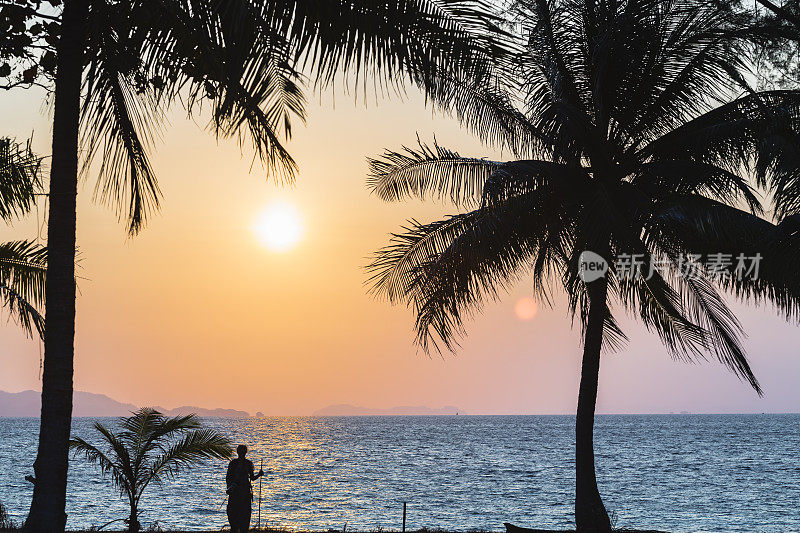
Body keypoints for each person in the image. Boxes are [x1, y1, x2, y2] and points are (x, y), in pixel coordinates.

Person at [226, 444, 264, 533]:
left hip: (244, 492)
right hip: (236, 492)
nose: (242, 453)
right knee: (234, 513)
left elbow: (252, 478)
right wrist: (231, 487)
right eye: (241, 451)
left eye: (243, 451)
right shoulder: (235, 463)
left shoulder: (246, 463)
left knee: (243, 514)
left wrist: (259, 474)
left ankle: (240, 529)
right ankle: (235, 529)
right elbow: (228, 478)